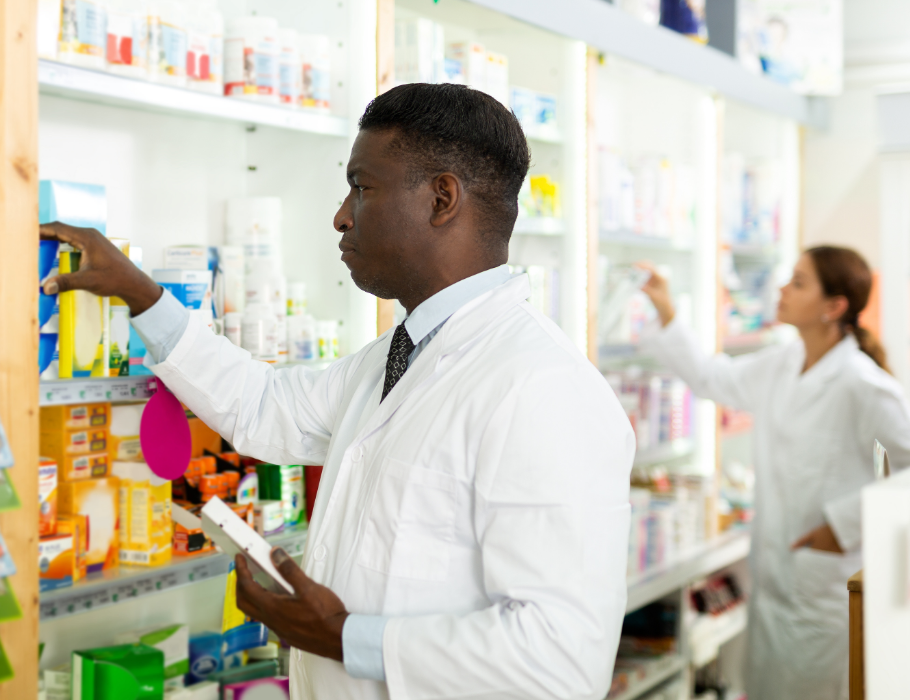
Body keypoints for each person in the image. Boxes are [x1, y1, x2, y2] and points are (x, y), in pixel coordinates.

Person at [41, 83, 635, 700]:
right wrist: (141, 294)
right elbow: (265, 406)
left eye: (362, 187)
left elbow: (561, 662)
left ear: (441, 199)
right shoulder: (400, 355)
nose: (342, 216)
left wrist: (345, 637)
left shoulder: (546, 391)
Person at [638, 246, 910, 700]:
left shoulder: (861, 383)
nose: (782, 289)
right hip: (773, 587)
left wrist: (843, 525)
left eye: (798, 282)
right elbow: (711, 378)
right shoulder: (781, 363)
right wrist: (666, 309)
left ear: (833, 307)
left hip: (820, 592)